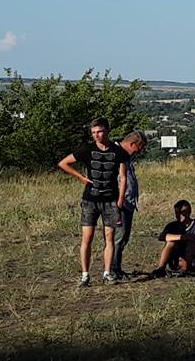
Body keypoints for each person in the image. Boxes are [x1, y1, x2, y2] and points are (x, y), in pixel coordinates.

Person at [58, 117, 130, 287]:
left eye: (99, 131)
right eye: (93, 132)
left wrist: (120, 200)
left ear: (107, 131)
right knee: (87, 237)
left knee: (109, 237)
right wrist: (81, 177)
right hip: (90, 200)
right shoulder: (87, 150)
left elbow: (124, 177)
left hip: (110, 200)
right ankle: (85, 274)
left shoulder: (118, 152)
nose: (96, 135)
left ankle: (107, 272)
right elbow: (64, 163)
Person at [112, 131, 148, 279]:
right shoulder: (116, 155)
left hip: (128, 202)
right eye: (137, 149)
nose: (136, 153)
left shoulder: (124, 156)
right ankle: (112, 270)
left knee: (123, 237)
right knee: (118, 237)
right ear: (132, 144)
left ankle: (117, 268)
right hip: (120, 202)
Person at [153, 200, 195, 277]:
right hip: (175, 256)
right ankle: (161, 268)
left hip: (192, 257)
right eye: (177, 212)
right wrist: (182, 237)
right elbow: (163, 236)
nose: (180, 215)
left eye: (183, 212)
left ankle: (187, 268)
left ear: (189, 212)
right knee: (171, 242)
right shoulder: (172, 226)